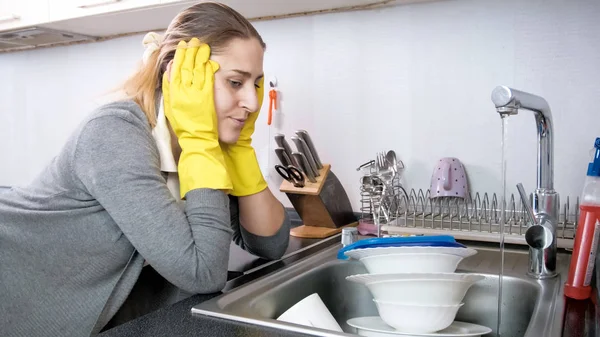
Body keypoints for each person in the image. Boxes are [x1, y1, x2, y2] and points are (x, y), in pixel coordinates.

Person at [0, 2, 290, 336]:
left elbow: (270, 246)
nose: (252, 103)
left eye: (255, 84)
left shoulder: (204, 141)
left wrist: (239, 153)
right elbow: (203, 273)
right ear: (179, 76)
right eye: (236, 82)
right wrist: (201, 143)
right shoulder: (115, 132)